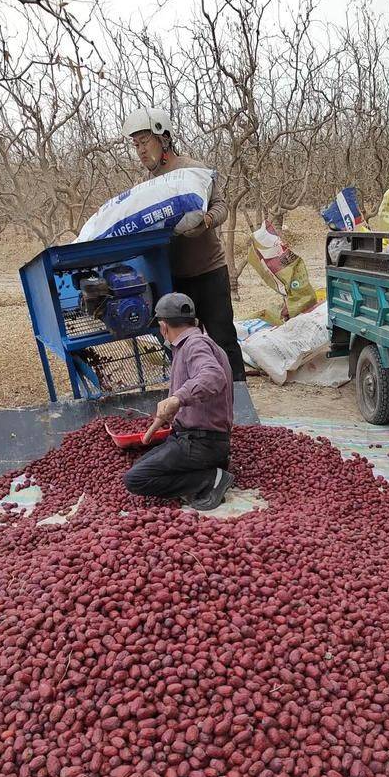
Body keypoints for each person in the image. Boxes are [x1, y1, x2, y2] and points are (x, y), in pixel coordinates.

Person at [121, 106, 246, 382]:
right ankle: (196, 398)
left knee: (223, 338)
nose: (140, 151)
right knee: (183, 345)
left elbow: (220, 205)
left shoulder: (193, 170)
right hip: (175, 279)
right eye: (135, 145)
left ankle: (239, 401)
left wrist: (207, 222)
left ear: (163, 139)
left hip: (210, 271)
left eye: (144, 142)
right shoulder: (147, 185)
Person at [124, 293, 235, 511]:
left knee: (135, 479)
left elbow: (212, 376)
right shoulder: (202, 344)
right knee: (143, 466)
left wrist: (177, 398)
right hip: (197, 439)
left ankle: (211, 478)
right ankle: (209, 469)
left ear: (163, 326)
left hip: (202, 444)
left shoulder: (194, 345)